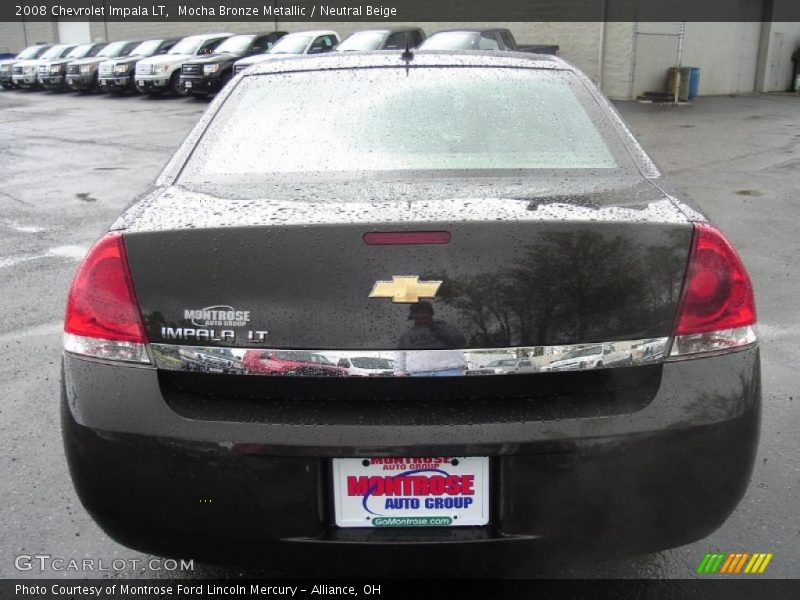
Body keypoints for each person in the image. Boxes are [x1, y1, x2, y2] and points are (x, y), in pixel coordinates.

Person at [394, 302, 467, 377]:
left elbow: (460, 341)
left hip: (450, 370)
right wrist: (399, 372)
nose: (421, 317)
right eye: (417, 314)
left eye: (424, 313)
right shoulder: (406, 335)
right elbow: (400, 353)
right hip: (417, 373)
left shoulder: (447, 327)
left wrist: (434, 327)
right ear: (413, 316)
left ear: (431, 313)